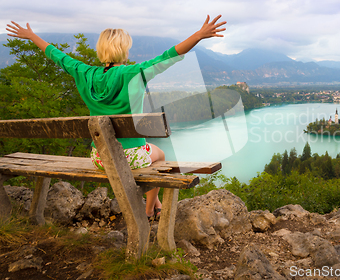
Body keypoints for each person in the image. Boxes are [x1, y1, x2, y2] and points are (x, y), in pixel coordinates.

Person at [6, 15, 226, 220]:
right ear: (124, 50)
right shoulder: (134, 73)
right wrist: (198, 35)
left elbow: (58, 56)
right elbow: (169, 55)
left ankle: (154, 201)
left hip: (101, 158)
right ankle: (150, 208)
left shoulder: (84, 72)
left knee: (151, 155)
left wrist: (32, 36)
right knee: (160, 155)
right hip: (132, 157)